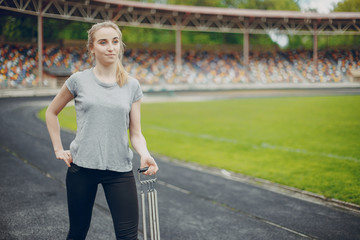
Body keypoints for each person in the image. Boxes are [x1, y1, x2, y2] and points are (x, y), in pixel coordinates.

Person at [45, 21, 158, 240]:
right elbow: (51, 112)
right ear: (92, 48)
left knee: (128, 237)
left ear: (120, 46)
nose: (110, 47)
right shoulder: (78, 81)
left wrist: (144, 154)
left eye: (115, 42)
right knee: (77, 233)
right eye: (103, 42)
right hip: (82, 169)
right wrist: (59, 149)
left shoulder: (132, 85)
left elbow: (135, 132)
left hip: (119, 170)